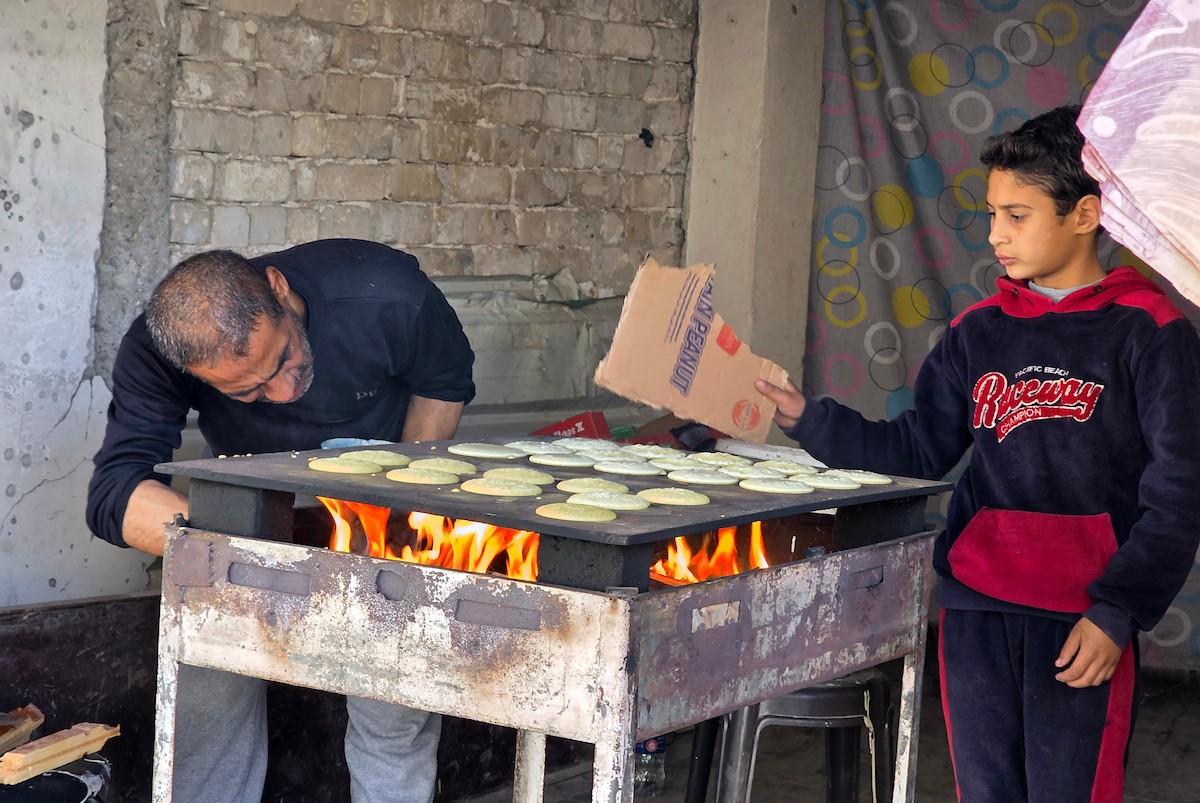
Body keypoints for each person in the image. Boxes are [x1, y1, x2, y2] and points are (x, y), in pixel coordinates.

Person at [756, 105, 1200, 802]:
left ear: (1085, 215)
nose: (995, 234)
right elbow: (915, 450)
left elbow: (1181, 491)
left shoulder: (1150, 331)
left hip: (1084, 619)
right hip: (976, 610)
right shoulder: (976, 332)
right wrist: (807, 419)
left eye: (1016, 215)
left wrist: (1119, 609)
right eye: (992, 212)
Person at [86, 238, 476, 803]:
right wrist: (245, 548)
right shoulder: (156, 348)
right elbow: (115, 496)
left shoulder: (388, 294)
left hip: (373, 519)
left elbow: (444, 380)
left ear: (278, 290)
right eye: (248, 392)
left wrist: (405, 501)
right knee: (208, 683)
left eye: (285, 358)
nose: (285, 390)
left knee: (392, 709)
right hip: (250, 529)